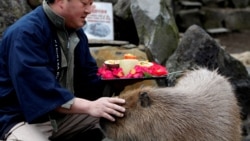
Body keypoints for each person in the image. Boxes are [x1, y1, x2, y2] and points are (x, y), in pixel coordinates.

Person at [0, 0, 126, 140]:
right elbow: (41, 90)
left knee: (121, 117)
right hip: (21, 119)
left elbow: (89, 81)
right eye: (85, 4)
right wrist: (89, 106)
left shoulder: (75, 32)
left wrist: (117, 82)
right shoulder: (25, 33)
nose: (90, 10)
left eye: (91, 3)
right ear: (61, 1)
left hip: (63, 117)